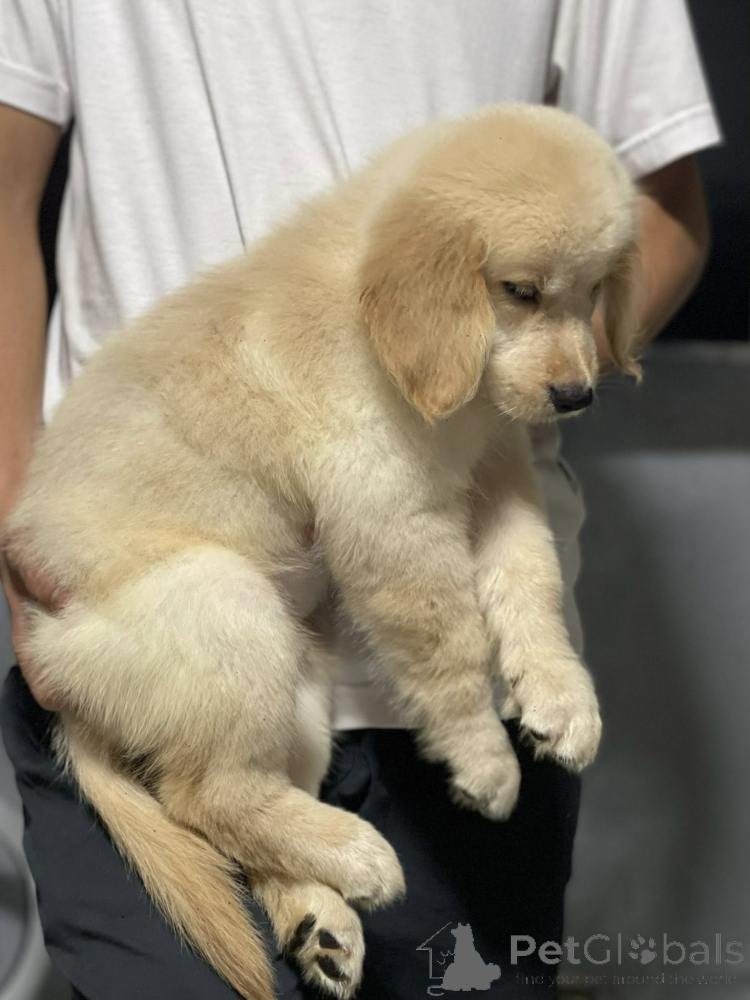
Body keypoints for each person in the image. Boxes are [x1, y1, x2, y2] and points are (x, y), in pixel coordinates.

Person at [0, 2, 718, 997]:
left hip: (471, 681)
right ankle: (253, 816)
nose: (572, 359)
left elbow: (664, 208)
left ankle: (285, 873)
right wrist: (24, 530)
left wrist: (521, 371)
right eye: (524, 294)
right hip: (150, 616)